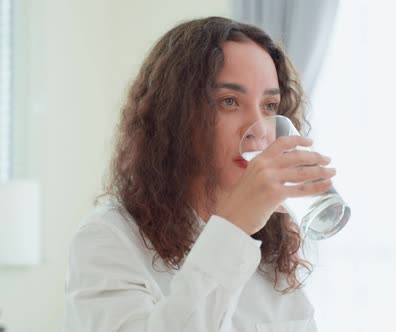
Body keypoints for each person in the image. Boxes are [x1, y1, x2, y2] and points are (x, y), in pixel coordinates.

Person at [64, 16, 336, 332]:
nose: (258, 131)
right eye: (229, 101)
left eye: (270, 105)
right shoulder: (107, 239)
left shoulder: (272, 247)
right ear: (176, 117)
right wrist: (234, 226)